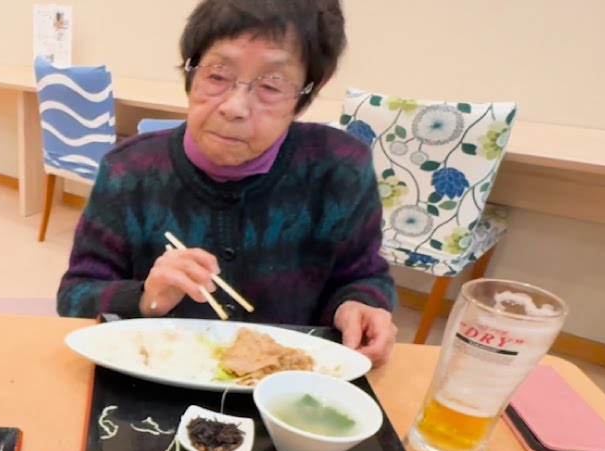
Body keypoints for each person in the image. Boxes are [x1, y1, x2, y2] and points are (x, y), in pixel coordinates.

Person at [56, 0, 397, 367]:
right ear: (191, 71)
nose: (235, 107)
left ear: (308, 90)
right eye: (217, 76)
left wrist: (358, 305)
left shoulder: (341, 168)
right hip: (158, 375)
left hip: (288, 382)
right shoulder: (129, 170)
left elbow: (364, 276)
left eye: (271, 85)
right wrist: (144, 298)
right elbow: (75, 296)